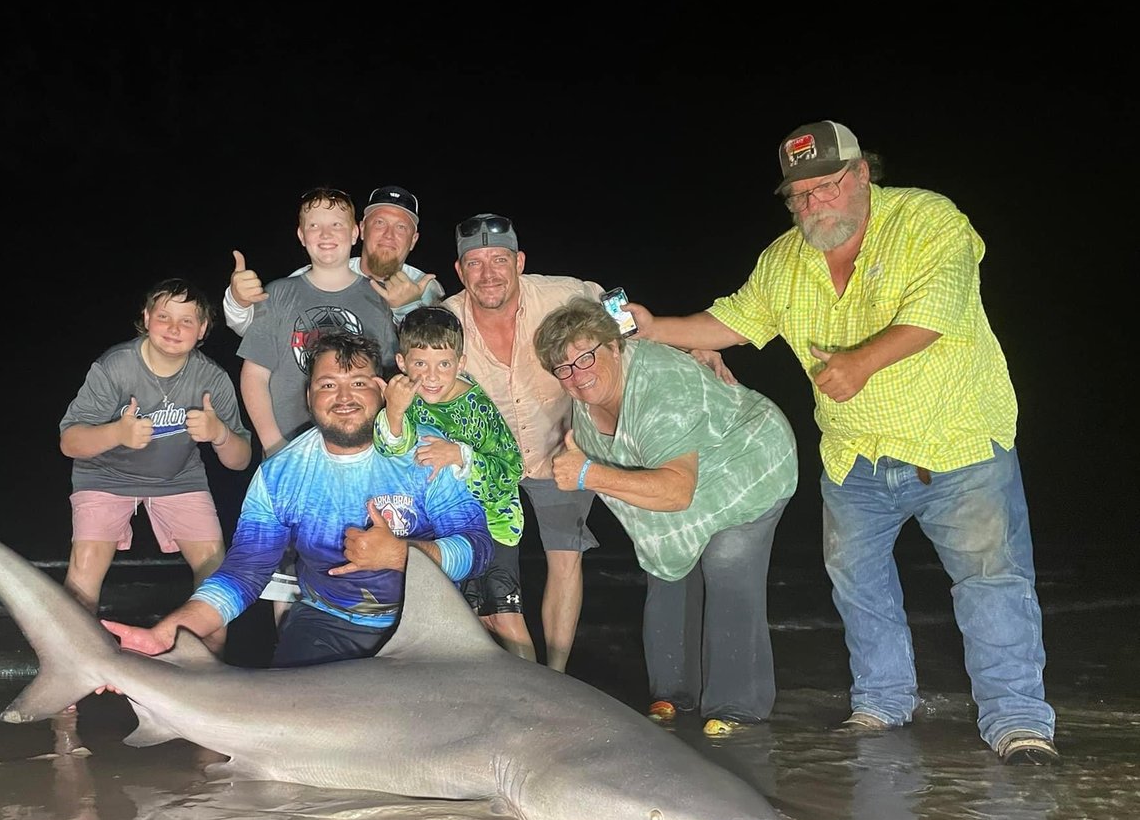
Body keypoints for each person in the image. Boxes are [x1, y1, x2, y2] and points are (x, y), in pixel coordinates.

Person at [627, 120, 1058, 765]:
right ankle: (883, 702)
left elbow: (937, 311)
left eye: (826, 186)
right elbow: (734, 321)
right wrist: (658, 326)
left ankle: (1018, 720)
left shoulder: (928, 220)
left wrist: (860, 363)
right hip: (854, 457)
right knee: (858, 581)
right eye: (799, 195)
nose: (813, 204)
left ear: (861, 175)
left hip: (958, 444)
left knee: (990, 581)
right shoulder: (784, 261)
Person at [442, 213, 734, 673]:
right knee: (493, 580)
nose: (489, 274)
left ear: (519, 261)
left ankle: (556, 675)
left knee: (565, 560)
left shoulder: (564, 294)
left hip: (563, 447)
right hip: (486, 464)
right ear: (460, 272)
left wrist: (690, 345)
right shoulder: (446, 318)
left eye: (499, 260)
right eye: (475, 264)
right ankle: (506, 674)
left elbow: (623, 318)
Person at [101, 331, 494, 667]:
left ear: (383, 389)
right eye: (327, 384)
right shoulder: (280, 475)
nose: (343, 396)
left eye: (358, 382)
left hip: (433, 625)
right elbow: (244, 573)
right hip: (326, 624)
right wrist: (167, 633)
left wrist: (402, 555)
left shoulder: (427, 452)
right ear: (309, 396)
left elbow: (478, 549)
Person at [535, 297, 797, 730]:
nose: (578, 376)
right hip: (688, 474)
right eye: (564, 368)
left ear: (615, 347)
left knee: (726, 560)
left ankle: (736, 707)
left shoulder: (661, 387)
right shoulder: (584, 400)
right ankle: (673, 696)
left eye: (586, 358)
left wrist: (588, 474)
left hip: (748, 461)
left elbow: (675, 493)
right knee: (666, 566)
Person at [231, 188, 402, 627]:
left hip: (357, 456)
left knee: (350, 555)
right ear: (301, 236)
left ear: (356, 233)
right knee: (285, 575)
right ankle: (288, 660)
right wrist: (272, 444)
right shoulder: (281, 294)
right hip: (291, 452)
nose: (326, 235)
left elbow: (386, 384)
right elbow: (254, 375)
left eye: (337, 225)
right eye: (315, 226)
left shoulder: (378, 299)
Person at [58, 277, 252, 653]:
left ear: (203, 329)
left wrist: (219, 434)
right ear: (146, 318)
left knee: (217, 568)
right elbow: (69, 443)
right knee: (83, 571)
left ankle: (206, 674)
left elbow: (239, 460)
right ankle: (71, 674)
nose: (174, 329)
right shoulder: (115, 368)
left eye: (187, 320)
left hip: (179, 478)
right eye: (164, 316)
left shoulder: (211, 379)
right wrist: (116, 433)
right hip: (104, 475)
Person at [374, 305, 534, 661]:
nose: (432, 376)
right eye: (420, 364)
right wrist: (394, 412)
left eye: (443, 364)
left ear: (460, 364)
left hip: (492, 525)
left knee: (505, 620)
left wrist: (461, 455)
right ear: (402, 362)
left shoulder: (475, 407)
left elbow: (512, 469)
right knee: (462, 623)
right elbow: (389, 450)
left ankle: (541, 704)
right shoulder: (403, 398)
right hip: (438, 528)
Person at [222, 184, 444, 336]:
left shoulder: (427, 289)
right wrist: (238, 301)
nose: (388, 235)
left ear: (413, 240)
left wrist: (408, 309)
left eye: (401, 227)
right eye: (379, 223)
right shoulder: (312, 276)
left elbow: (433, 358)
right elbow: (254, 331)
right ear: (361, 229)